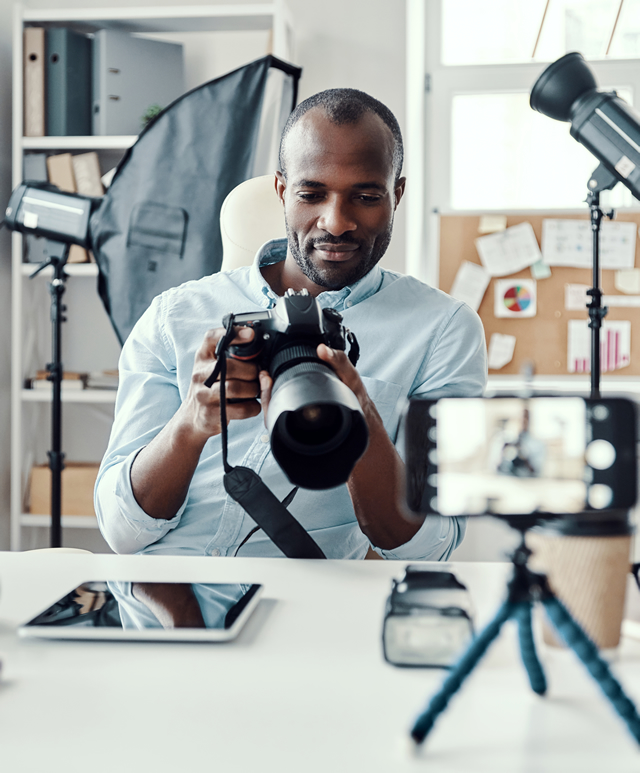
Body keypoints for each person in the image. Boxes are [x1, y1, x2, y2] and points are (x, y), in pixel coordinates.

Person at [95, 88, 487, 564]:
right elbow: (120, 532)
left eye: (365, 196)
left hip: (306, 605)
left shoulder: (442, 330)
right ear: (282, 190)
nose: (336, 222)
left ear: (396, 194)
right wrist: (191, 425)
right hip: (166, 592)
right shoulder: (176, 317)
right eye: (311, 194)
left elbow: (432, 545)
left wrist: (357, 409)